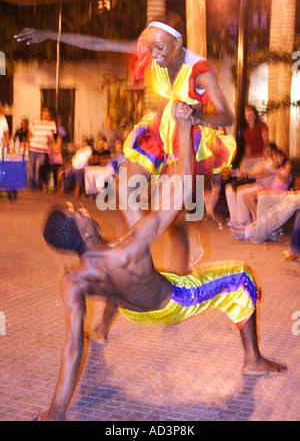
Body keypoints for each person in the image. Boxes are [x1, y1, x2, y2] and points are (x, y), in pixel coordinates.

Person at [35, 102, 286, 421]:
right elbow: (182, 187)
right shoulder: (133, 243)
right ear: (83, 231)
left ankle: (100, 329)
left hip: (134, 311)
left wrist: (56, 411)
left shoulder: (73, 279)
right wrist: (183, 127)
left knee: (121, 269)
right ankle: (253, 360)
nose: (85, 211)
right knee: (242, 277)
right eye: (79, 214)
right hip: (173, 302)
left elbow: (72, 346)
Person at [15, 14, 236, 271]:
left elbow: (227, 115)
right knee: (123, 191)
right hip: (158, 133)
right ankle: (140, 263)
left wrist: (194, 113)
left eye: (160, 48)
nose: (153, 54)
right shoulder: (153, 50)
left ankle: (178, 270)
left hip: (187, 138)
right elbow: (98, 44)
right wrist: (51, 34)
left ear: (178, 42)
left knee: (170, 217)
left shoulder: (200, 71)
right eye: (150, 47)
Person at [226, 143, 277, 228]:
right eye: (265, 151)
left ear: (273, 152)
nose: (267, 153)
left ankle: (244, 221)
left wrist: (244, 174)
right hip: (256, 184)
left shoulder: (273, 163)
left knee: (240, 192)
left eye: (269, 151)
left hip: (263, 188)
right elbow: (252, 170)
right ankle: (235, 219)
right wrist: (240, 173)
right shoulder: (262, 161)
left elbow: (261, 174)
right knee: (229, 190)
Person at [243, 148, 293, 223]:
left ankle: (261, 222)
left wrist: (275, 170)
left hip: (280, 192)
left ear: (283, 156)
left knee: (255, 198)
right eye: (274, 158)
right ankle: (256, 220)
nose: (276, 160)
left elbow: (283, 180)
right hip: (272, 189)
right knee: (247, 196)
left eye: (277, 157)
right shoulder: (279, 166)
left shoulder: (288, 165)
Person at [27, 107, 56, 190]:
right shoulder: (34, 121)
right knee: (30, 168)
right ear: (42, 113)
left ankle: (38, 185)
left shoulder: (52, 124)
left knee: (38, 168)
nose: (45, 115)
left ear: (49, 115)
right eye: (44, 113)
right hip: (32, 148)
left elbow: (52, 138)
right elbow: (30, 133)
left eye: (47, 114)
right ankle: (31, 186)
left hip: (43, 150)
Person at [243, 105, 269, 171]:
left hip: (260, 157)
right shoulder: (245, 128)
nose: (248, 118)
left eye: (250, 115)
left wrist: (266, 156)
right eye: (246, 115)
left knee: (255, 173)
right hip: (249, 157)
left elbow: (266, 142)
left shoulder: (262, 126)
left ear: (255, 115)